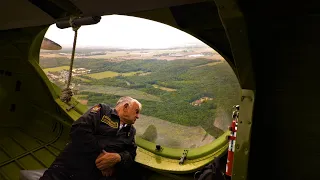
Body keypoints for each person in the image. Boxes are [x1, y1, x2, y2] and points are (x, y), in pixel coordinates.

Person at [40, 96, 142, 180]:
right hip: (67, 169)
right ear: (125, 107)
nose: (138, 116)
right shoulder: (102, 111)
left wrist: (118, 158)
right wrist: (102, 157)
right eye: (136, 111)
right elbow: (79, 130)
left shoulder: (131, 131)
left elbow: (131, 154)